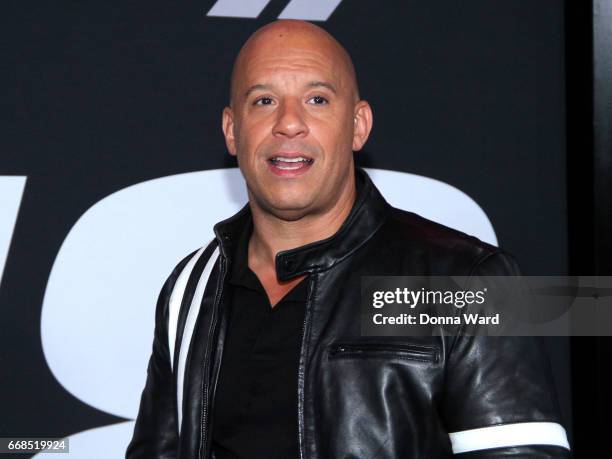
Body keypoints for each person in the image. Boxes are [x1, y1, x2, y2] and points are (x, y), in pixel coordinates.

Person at [127, 20, 570, 458]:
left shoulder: (471, 282)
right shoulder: (191, 286)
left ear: (358, 125)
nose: (288, 124)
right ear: (231, 130)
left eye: (317, 99)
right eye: (264, 100)